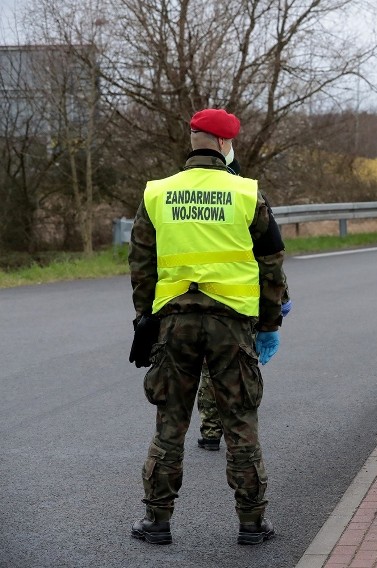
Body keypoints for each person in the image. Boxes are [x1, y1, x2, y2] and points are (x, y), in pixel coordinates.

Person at [128, 107, 289, 545]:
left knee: (170, 422)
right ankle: (252, 524)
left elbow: (141, 264)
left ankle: (157, 522)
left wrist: (145, 318)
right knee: (240, 421)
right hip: (232, 324)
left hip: (174, 323)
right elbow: (271, 264)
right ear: (224, 144)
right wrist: (270, 323)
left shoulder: (157, 193)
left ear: (194, 138)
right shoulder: (246, 193)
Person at [197, 298, 292, 451]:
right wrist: (282, 302)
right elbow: (272, 276)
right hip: (246, 313)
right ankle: (240, 435)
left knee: (210, 372)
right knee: (242, 371)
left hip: (211, 312)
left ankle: (211, 432)